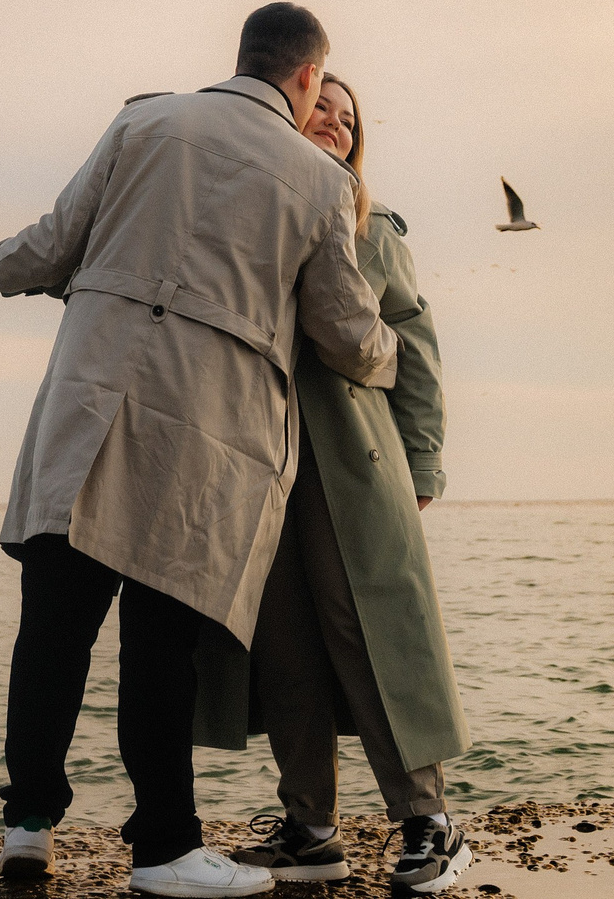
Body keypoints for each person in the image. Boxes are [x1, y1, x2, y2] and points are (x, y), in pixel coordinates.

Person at [0, 4, 400, 899]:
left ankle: (27, 829)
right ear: (305, 76)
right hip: (199, 437)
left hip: (87, 406)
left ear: (243, 56)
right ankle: (164, 849)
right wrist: (393, 354)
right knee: (157, 646)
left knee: (52, 629)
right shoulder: (318, 180)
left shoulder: (143, 120)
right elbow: (342, 329)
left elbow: (52, 245)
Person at [198, 74, 472, 893]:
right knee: (282, 646)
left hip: (354, 463)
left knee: (373, 636)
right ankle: (311, 829)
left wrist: (422, 461)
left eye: (350, 119)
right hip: (256, 462)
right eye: (324, 106)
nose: (338, 124)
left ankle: (430, 821)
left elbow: (413, 346)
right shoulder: (250, 209)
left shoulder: (370, 222)